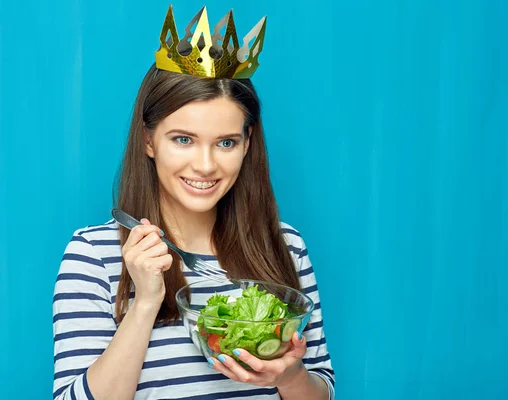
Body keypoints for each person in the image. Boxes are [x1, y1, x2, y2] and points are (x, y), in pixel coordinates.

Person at [53, 5, 335, 399]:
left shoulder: (286, 246)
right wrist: (146, 301)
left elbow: (321, 390)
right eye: (183, 139)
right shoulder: (94, 255)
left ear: (247, 143)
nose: (205, 166)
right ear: (149, 140)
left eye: (226, 143)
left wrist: (288, 376)